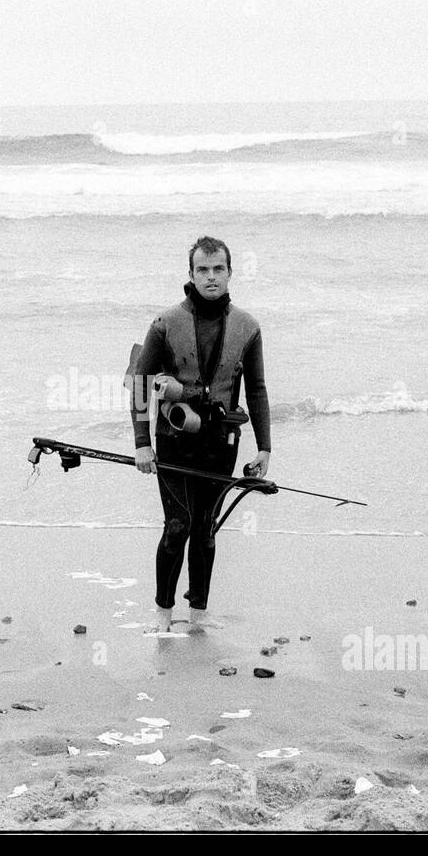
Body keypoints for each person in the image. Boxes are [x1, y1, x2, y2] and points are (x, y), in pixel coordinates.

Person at [129, 236, 271, 632]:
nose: (211, 277)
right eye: (203, 270)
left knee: (205, 530)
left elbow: (257, 389)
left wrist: (265, 447)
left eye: (218, 269)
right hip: (174, 439)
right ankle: (162, 613)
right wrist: (142, 444)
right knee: (178, 526)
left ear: (229, 273)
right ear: (190, 274)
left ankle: (198, 617)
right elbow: (139, 384)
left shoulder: (248, 327)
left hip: (220, 443)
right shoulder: (164, 323)